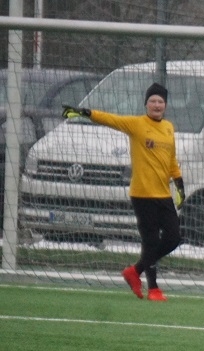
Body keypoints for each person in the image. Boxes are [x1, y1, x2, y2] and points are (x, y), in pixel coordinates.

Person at [62, 82, 185, 302]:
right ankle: (153, 289)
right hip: (142, 195)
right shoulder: (137, 124)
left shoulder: (168, 127)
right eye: (153, 101)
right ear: (146, 104)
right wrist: (86, 113)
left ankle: (134, 271)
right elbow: (111, 119)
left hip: (163, 195)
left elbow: (172, 160)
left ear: (165, 105)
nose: (157, 105)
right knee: (150, 241)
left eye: (160, 101)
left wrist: (179, 185)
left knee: (174, 238)